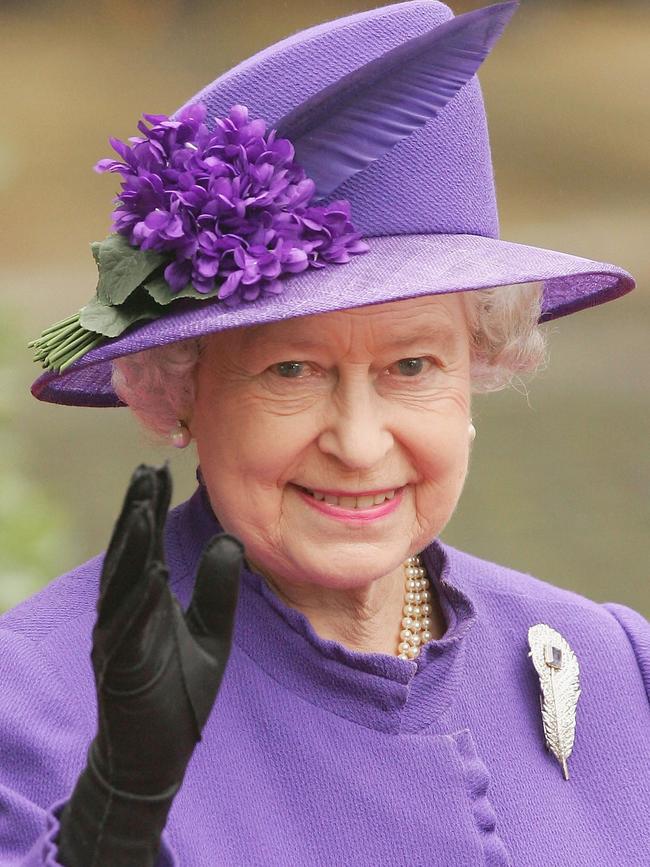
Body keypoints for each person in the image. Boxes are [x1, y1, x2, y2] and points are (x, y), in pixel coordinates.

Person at [2, 0, 648, 864]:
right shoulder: (32, 710)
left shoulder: (611, 665)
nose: (358, 440)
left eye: (412, 367)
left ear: (476, 369)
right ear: (182, 392)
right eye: (291, 372)